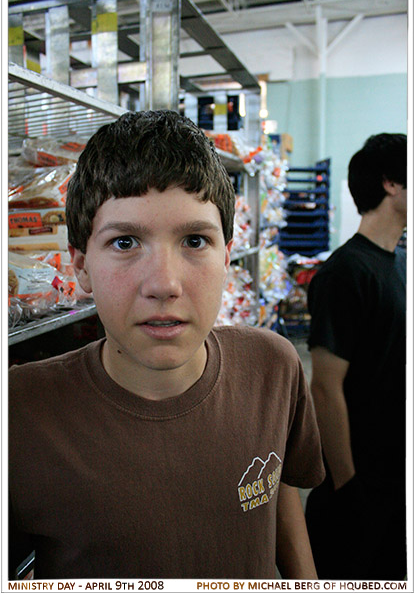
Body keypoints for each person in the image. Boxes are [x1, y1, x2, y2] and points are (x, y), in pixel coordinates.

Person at [9, 110, 325, 580]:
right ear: (79, 267)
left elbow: (277, 490)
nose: (164, 284)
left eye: (195, 240)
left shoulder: (273, 367)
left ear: (227, 254)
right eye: (125, 243)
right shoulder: (21, 411)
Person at [305, 133, 407, 579]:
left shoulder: (398, 262)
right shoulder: (346, 272)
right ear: (390, 183)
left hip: (395, 475)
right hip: (360, 485)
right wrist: (349, 488)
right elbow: (325, 389)